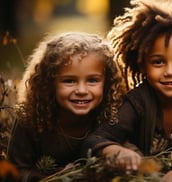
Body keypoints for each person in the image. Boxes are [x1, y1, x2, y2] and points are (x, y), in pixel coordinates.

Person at [82, 0, 172, 173]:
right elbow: (95, 139)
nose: (170, 71)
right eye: (158, 62)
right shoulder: (139, 100)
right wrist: (115, 150)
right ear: (142, 65)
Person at [7, 32, 123, 181]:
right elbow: (15, 171)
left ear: (106, 83)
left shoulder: (110, 115)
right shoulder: (30, 118)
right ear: (49, 83)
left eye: (92, 80)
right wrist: (53, 178)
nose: (81, 91)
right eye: (69, 81)